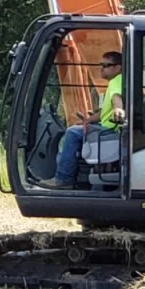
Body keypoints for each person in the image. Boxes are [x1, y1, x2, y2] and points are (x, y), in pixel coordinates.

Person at [42, 51, 126, 189]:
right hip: (107, 128)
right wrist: (88, 119)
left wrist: (119, 110)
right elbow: (103, 113)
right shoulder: (116, 82)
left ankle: (63, 179)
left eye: (106, 65)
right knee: (76, 130)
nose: (101, 68)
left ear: (118, 68)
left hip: (109, 132)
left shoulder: (117, 81)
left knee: (72, 133)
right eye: (101, 65)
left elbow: (117, 102)